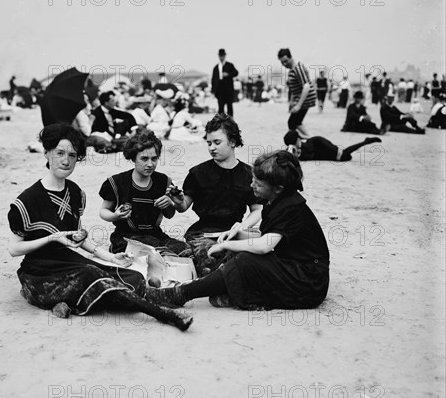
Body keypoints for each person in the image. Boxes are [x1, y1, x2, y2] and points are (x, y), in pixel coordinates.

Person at [7, 124, 192, 330]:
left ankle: (68, 302)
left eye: (72, 155)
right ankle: (162, 312)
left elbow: (79, 238)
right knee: (92, 274)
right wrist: (52, 238)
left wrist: (110, 257)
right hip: (40, 272)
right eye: (59, 153)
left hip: (69, 262)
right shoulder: (28, 199)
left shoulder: (75, 193)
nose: (66, 160)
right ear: (47, 153)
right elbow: (14, 249)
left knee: (132, 276)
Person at [146, 150, 330, 311]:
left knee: (245, 259)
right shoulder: (277, 201)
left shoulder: (290, 207)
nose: (252, 186)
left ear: (278, 188)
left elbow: (265, 246)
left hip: (308, 282)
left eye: (258, 184)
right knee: (240, 255)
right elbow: (272, 237)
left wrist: (228, 244)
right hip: (292, 266)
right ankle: (225, 293)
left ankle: (181, 294)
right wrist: (239, 234)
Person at [168, 114, 263, 275]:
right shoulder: (198, 172)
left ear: (232, 142)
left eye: (217, 142)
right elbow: (183, 207)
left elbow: (258, 208)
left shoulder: (248, 174)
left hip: (233, 231)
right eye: (209, 143)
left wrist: (242, 227)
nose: (212, 147)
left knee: (257, 251)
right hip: (202, 233)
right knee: (210, 255)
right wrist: (178, 200)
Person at [99, 130, 189, 256]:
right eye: (144, 159)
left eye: (154, 159)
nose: (150, 164)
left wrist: (169, 204)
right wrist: (115, 215)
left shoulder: (163, 181)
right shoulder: (118, 182)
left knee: (183, 249)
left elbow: (169, 215)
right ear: (133, 158)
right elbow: (103, 211)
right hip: (125, 237)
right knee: (157, 251)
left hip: (155, 235)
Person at [277, 48, 316, 137]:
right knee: (294, 123)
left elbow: (306, 86)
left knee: (293, 123)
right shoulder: (292, 70)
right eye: (282, 62)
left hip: (306, 98)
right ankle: (302, 140)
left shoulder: (298, 68)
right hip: (301, 98)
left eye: (286, 61)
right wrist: (292, 101)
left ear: (291, 57)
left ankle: (311, 140)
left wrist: (298, 105)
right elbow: (295, 89)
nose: (284, 64)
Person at [283, 130, 381, 162]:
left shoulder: (298, 147)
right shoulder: (295, 148)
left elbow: (307, 154)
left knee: (343, 154)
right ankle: (365, 141)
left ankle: (366, 141)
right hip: (317, 145)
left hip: (318, 143)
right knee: (344, 154)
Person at [211, 49, 239, 116]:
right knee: (221, 107)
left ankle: (230, 122)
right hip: (220, 90)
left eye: (222, 56)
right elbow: (213, 80)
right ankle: (221, 122)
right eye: (220, 56)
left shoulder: (230, 65)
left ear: (225, 56)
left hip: (228, 89)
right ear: (218, 56)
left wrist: (228, 74)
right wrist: (213, 90)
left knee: (229, 106)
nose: (221, 57)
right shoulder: (216, 67)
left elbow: (236, 73)